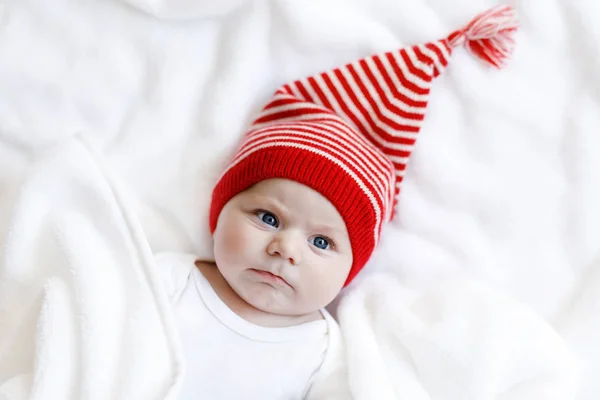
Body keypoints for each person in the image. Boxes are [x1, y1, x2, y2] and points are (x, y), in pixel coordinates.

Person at [155, 5, 519, 399]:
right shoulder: (170, 278)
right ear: (220, 209)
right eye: (268, 217)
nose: (286, 249)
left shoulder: (326, 350)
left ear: (351, 271)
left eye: (322, 243)